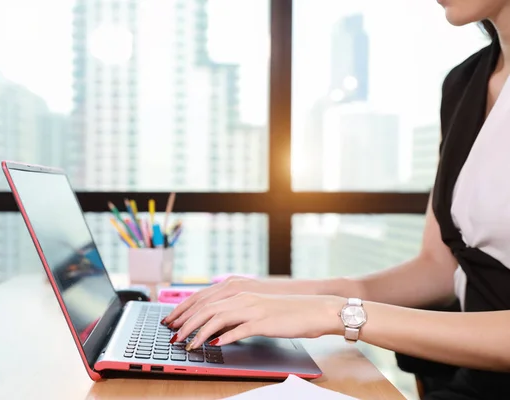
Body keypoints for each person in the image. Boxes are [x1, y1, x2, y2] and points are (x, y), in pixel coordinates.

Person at [162, 1, 510, 399]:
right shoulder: (464, 83)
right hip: (475, 383)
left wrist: (334, 314)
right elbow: (439, 269)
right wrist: (280, 294)